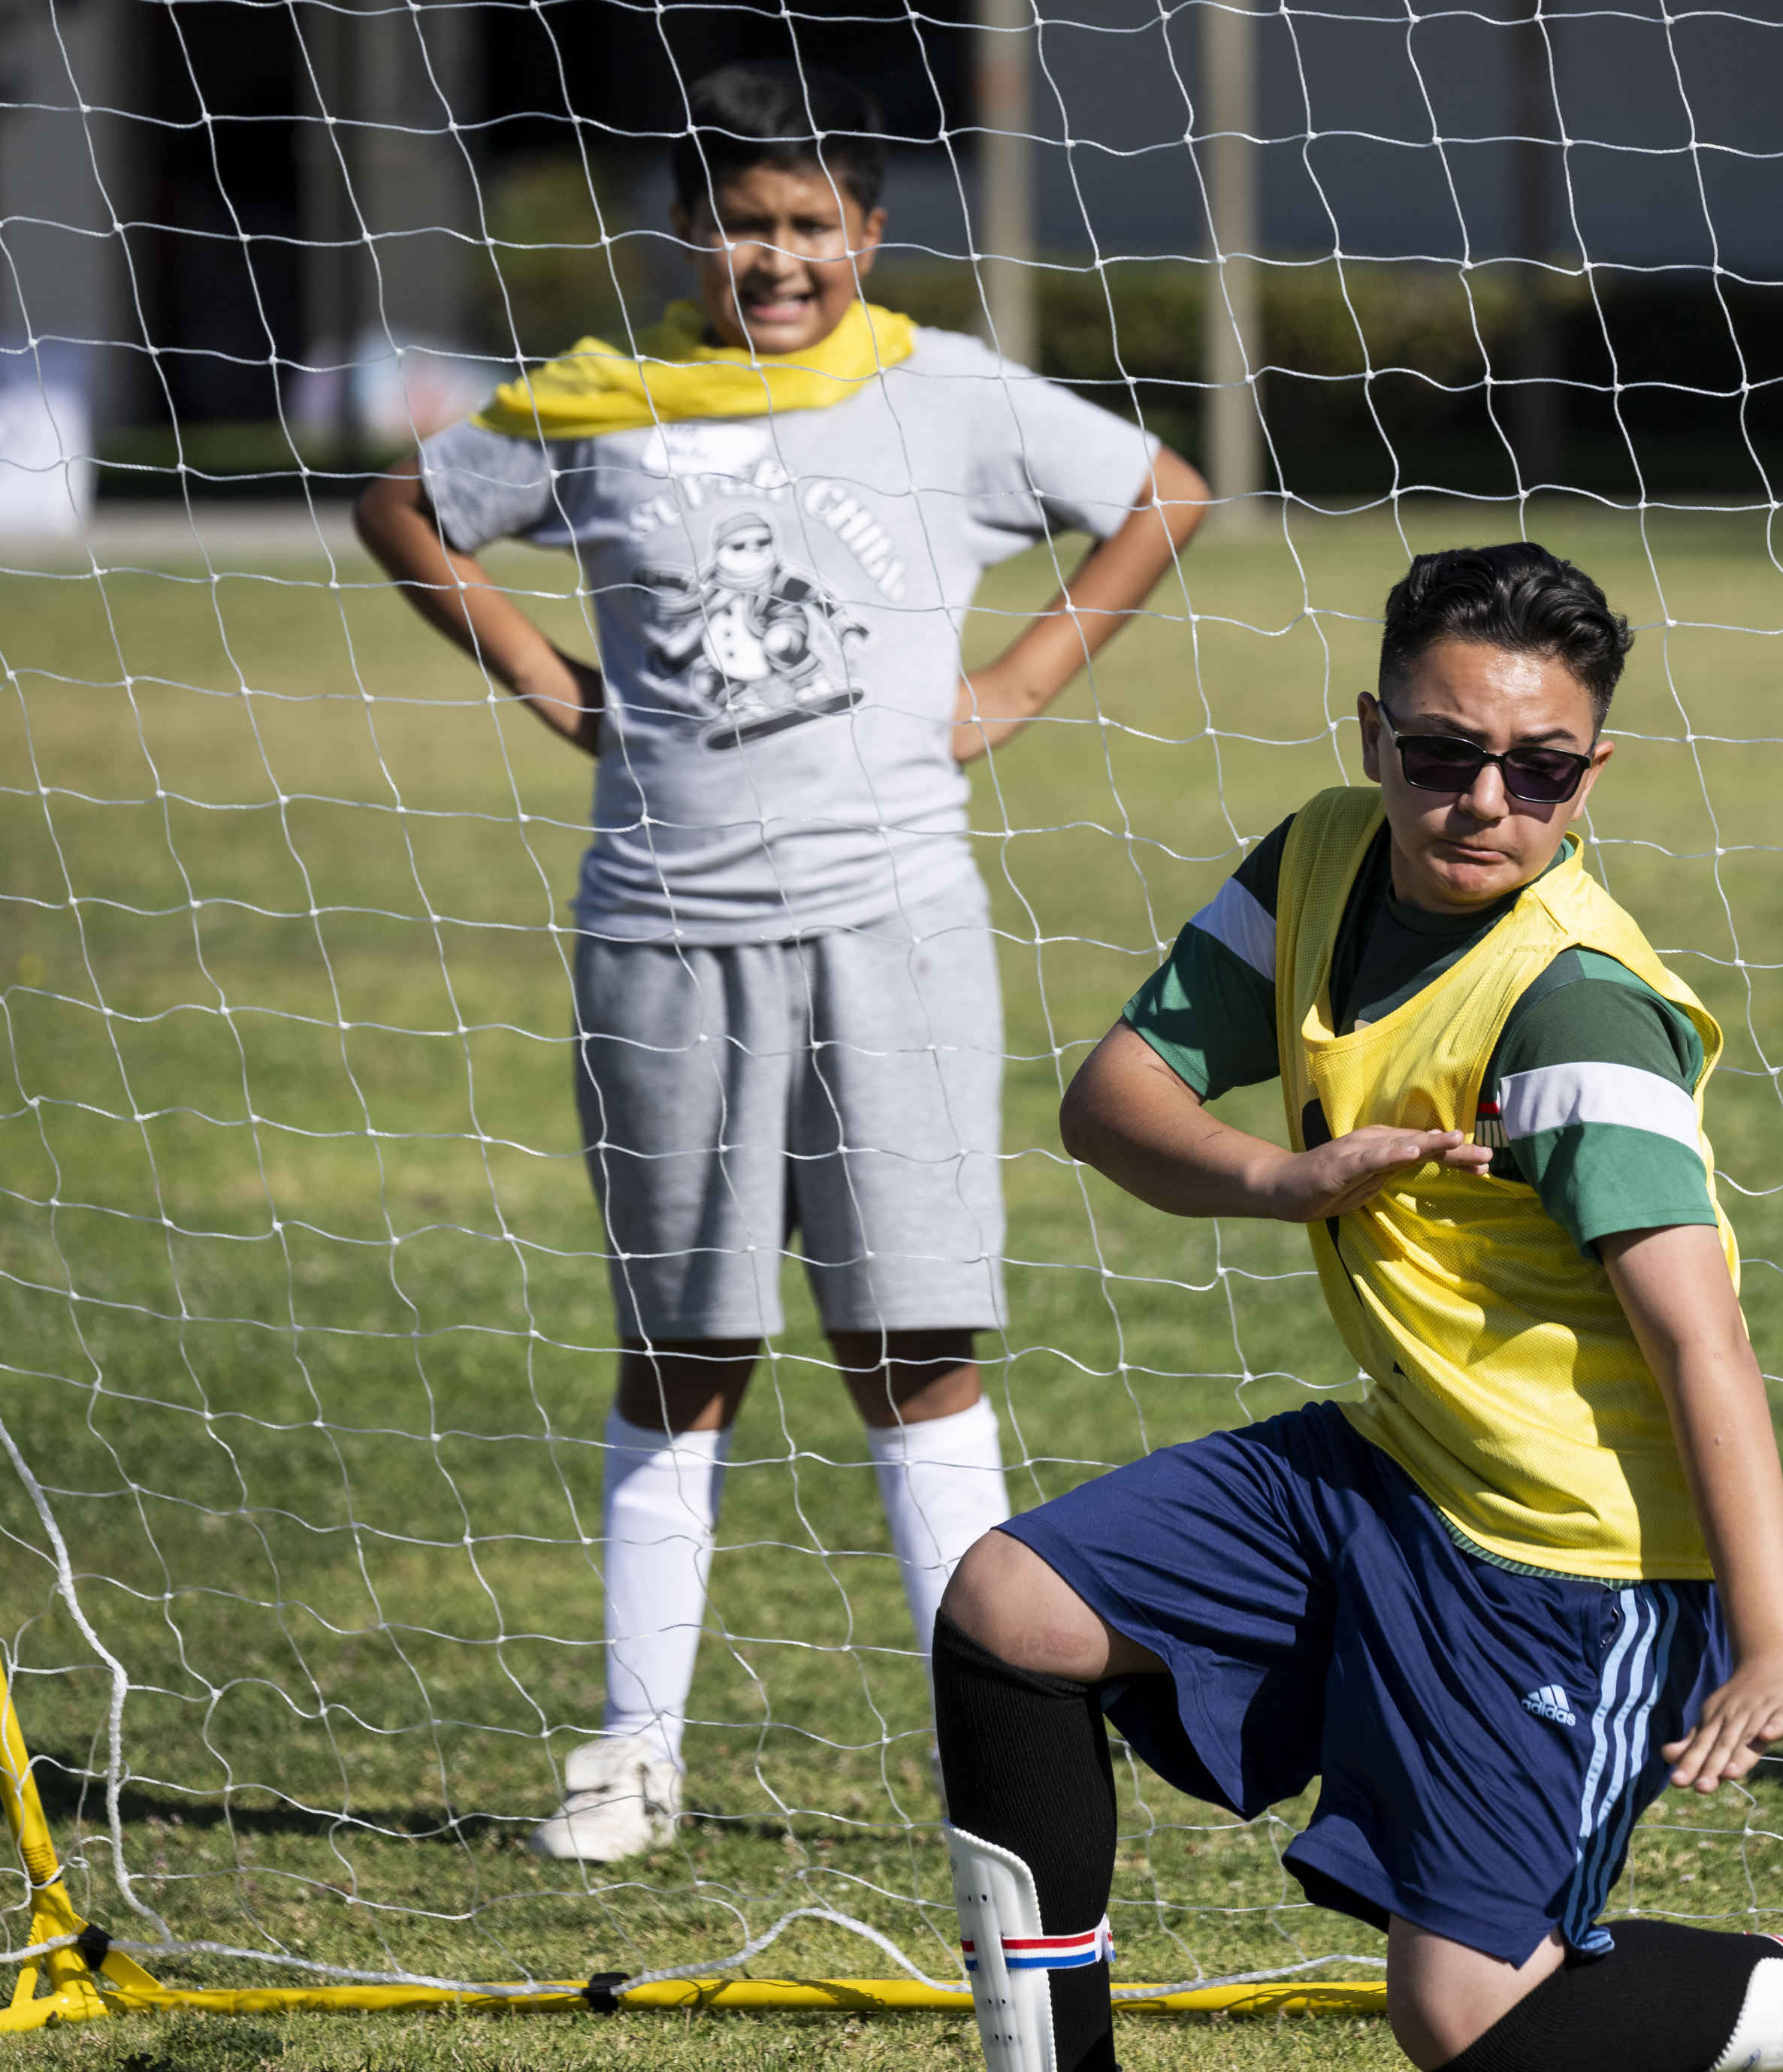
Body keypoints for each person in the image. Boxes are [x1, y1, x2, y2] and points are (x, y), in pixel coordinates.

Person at [929, 545, 1783, 2072]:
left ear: (1589, 772)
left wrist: (1772, 1634)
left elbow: (1700, 1333)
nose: (1484, 800)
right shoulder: (1320, 859)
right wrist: (1281, 1177)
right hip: (1390, 1466)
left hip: (1569, 1556)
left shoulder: (1576, 1012)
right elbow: (1111, 1098)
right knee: (1009, 1607)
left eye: (1538, 769)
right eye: (1441, 753)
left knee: (1467, 2015)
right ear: (1372, 735)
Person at [357, 57, 1209, 1862]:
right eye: (744, 224)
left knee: (916, 1342)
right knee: (684, 1342)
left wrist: (1017, 685)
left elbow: (1164, 491)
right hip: (666, 930)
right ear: (689, 231)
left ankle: (987, 1758)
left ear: (870, 233)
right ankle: (631, 1750)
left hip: (896, 926)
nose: (778, 258)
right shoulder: (594, 403)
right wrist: (537, 673)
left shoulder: (946, 394)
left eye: (811, 223)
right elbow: (403, 508)